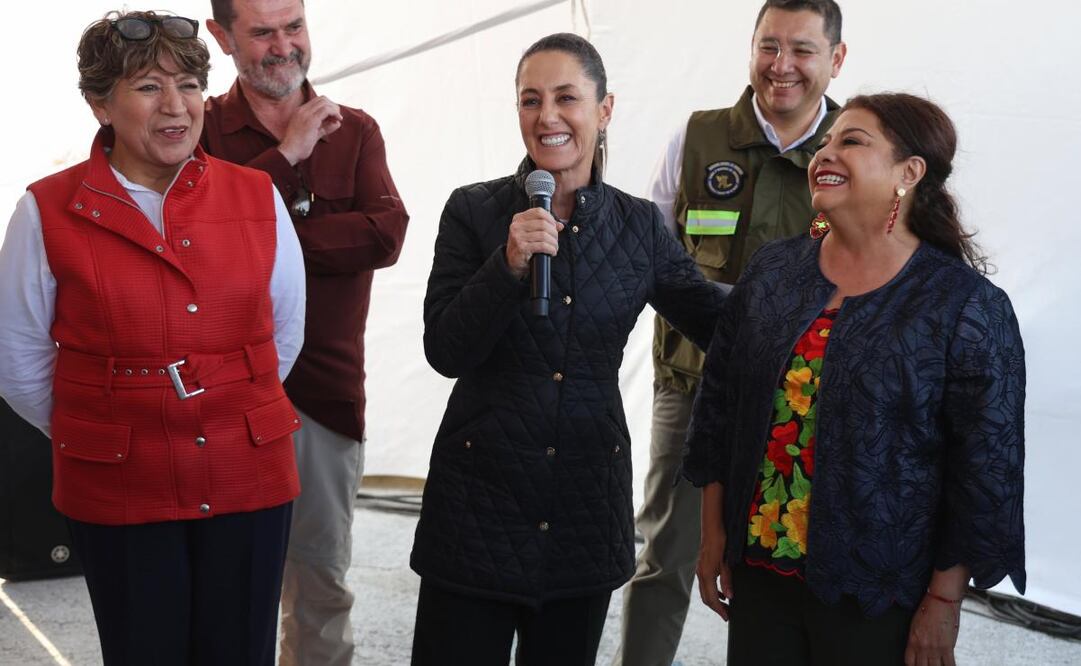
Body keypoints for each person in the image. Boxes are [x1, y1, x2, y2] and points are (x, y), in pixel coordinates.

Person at [409, 32, 726, 665]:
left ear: (604, 109)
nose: (547, 116)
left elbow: (717, 319)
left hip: (583, 505)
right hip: (478, 509)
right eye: (530, 100)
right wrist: (506, 265)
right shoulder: (474, 211)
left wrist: (816, 291)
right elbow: (446, 350)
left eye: (566, 98)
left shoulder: (638, 227)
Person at [0, 10, 306, 664]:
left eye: (190, 84)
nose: (176, 106)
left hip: (246, 471)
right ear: (99, 104)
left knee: (240, 653)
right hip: (117, 483)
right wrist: (103, 429)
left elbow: (284, 335)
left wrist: (225, 407)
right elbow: (19, 361)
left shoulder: (257, 196)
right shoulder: (44, 210)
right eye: (147, 87)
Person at [684, 92, 1026, 665]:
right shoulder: (775, 271)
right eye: (826, 141)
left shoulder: (964, 306)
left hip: (876, 589)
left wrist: (945, 598)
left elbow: (985, 467)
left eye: (852, 141)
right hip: (760, 569)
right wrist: (713, 532)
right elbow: (720, 406)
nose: (826, 152)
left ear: (909, 173)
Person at [616, 2, 846, 663]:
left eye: (802, 50)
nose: (781, 66)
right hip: (692, 385)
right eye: (767, 46)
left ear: (835, 59)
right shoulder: (697, 138)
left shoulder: (855, 149)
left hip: (810, 399)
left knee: (793, 562)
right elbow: (650, 258)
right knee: (665, 555)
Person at [201, 1, 409, 663]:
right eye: (262, 31)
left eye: (293, 26)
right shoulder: (195, 129)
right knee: (222, 584)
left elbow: (386, 233)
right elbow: (198, 243)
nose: (282, 46)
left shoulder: (356, 131)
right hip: (219, 398)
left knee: (319, 585)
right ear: (220, 36)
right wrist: (285, 157)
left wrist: (264, 236)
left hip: (324, 394)